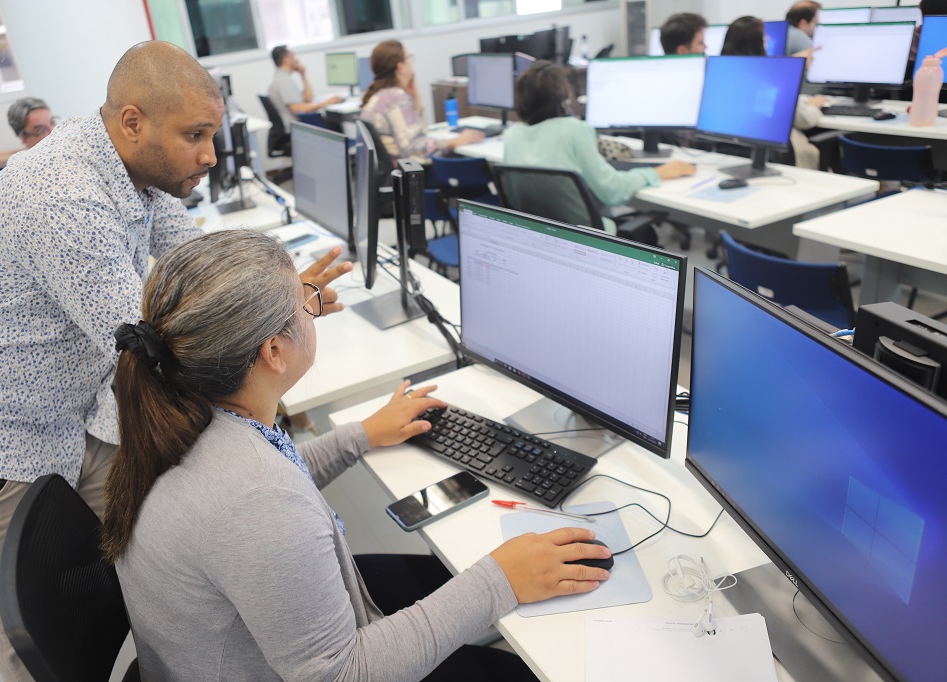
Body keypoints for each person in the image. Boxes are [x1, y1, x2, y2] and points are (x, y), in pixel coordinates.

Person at [0, 41, 351, 681]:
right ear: (132, 123)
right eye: (196, 135)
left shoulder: (128, 170)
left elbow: (198, 260)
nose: (209, 154)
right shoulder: (64, 198)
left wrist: (277, 292)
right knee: (32, 639)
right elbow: (158, 352)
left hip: (65, 417)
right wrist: (280, 321)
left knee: (158, 521)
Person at [103, 228, 611, 681]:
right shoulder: (254, 499)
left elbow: (275, 475)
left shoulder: (183, 406)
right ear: (273, 353)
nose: (316, 304)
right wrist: (499, 581)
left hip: (237, 647)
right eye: (304, 300)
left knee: (453, 573)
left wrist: (359, 435)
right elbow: (343, 672)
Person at [502, 61, 695, 237]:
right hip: (586, 240)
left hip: (539, 236)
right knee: (647, 235)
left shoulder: (511, 136)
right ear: (563, 99)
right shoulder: (574, 130)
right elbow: (612, 191)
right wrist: (655, 173)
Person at [721, 16, 826, 169]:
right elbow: (803, 119)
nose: (768, 38)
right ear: (757, 42)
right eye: (764, 36)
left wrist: (802, 101)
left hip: (728, 153)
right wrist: (815, 107)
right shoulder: (767, 76)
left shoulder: (721, 72)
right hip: (772, 154)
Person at [360, 40, 483, 164]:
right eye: (409, 58)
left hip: (396, 172)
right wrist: (454, 142)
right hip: (410, 173)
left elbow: (420, 134)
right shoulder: (396, 98)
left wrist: (415, 100)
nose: (411, 63)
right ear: (400, 67)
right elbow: (416, 151)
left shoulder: (381, 95)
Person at [267, 45, 343, 138]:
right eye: (293, 56)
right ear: (286, 59)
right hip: (296, 129)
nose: (297, 60)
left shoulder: (282, 78)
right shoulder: (284, 81)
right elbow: (298, 110)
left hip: (296, 125)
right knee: (334, 125)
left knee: (331, 123)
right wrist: (327, 102)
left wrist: (303, 75)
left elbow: (308, 100)